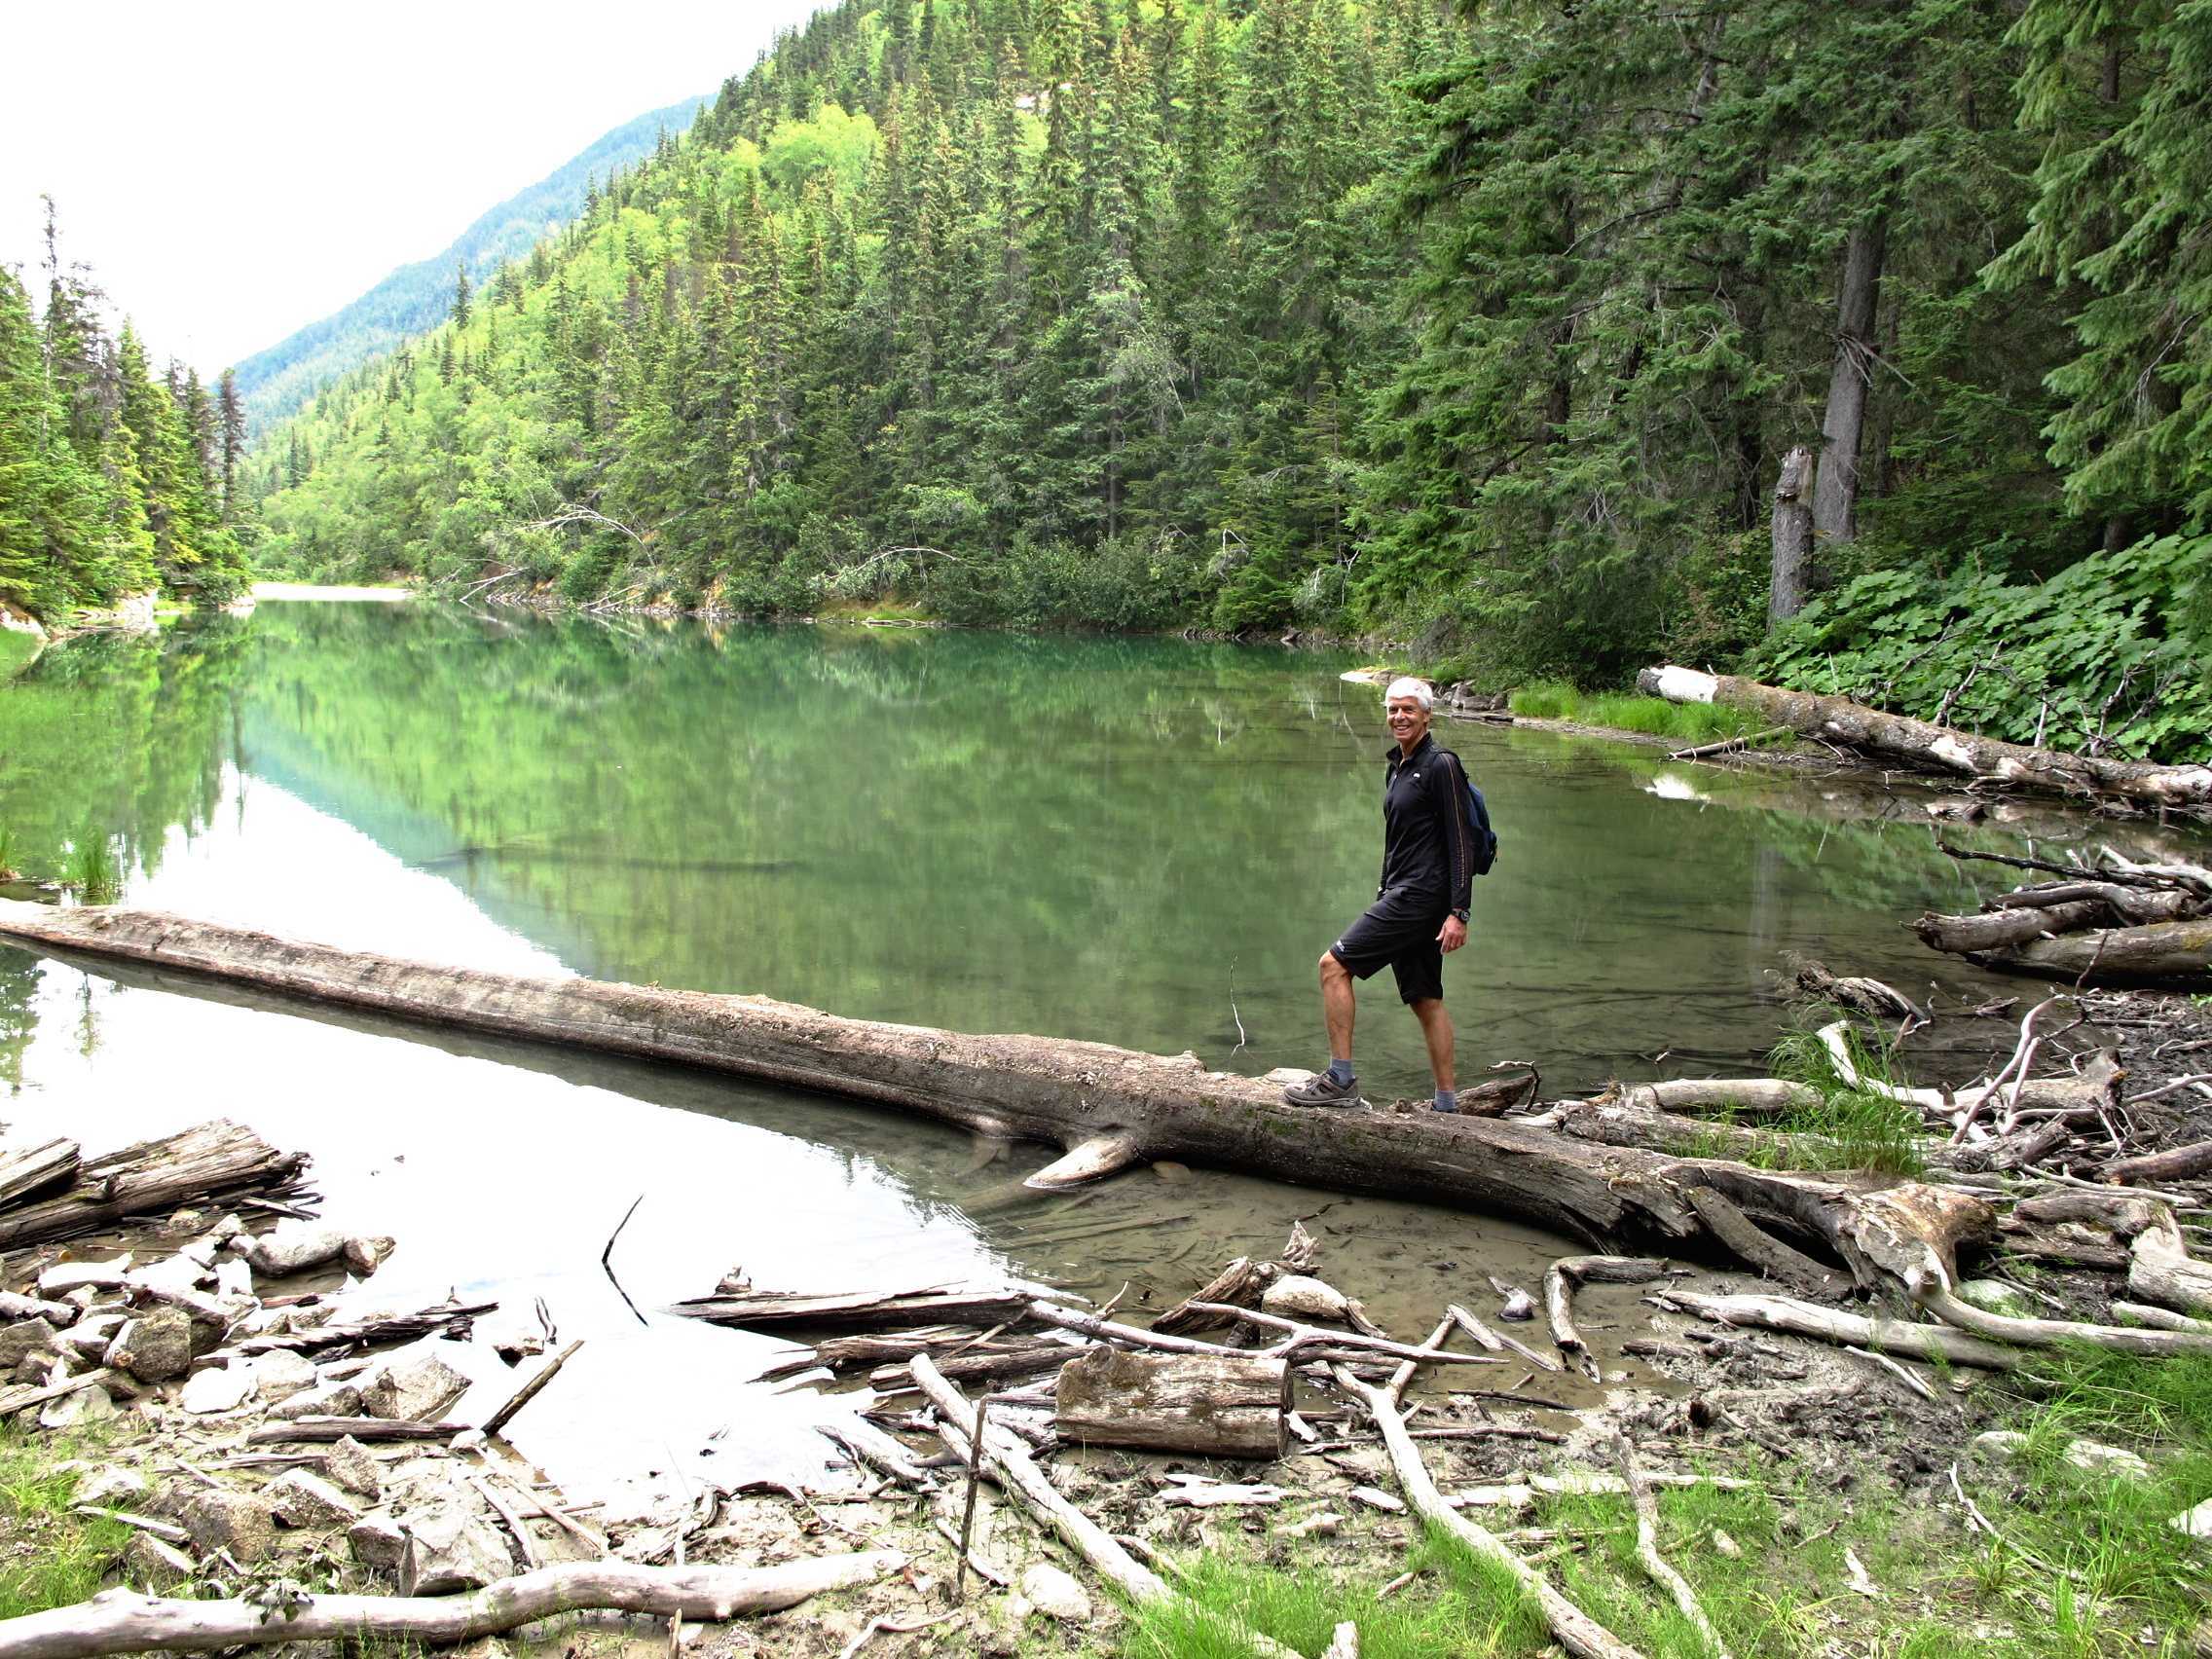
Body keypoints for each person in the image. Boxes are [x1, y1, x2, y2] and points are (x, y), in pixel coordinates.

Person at [1283, 676, 1477, 1112]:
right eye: (1392, 709)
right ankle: (1447, 1103)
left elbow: (1461, 840)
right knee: (1426, 998)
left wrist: (1459, 911)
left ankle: (1340, 1080)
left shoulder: (1442, 764)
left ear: (1428, 715)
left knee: (1333, 965)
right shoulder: (1400, 766)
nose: (1399, 717)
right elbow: (1401, 840)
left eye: (1408, 709)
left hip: (1419, 896)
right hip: (1405, 892)